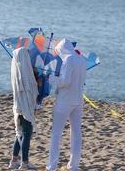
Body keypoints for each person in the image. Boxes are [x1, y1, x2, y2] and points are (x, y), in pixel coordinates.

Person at [46, 38, 87, 171]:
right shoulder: (81, 59)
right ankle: (73, 165)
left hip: (65, 101)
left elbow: (65, 81)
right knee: (76, 133)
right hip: (78, 100)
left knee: (56, 133)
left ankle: (52, 166)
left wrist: (50, 78)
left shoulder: (68, 59)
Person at [8, 47, 39, 169]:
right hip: (26, 106)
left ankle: (14, 160)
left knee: (19, 133)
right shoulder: (26, 72)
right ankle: (25, 163)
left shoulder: (16, 70)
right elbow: (32, 89)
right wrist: (38, 78)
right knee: (27, 133)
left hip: (17, 105)